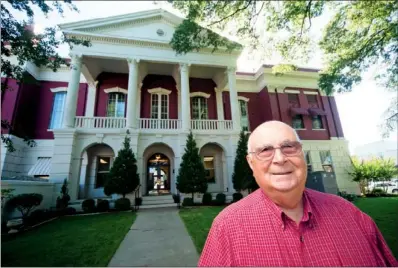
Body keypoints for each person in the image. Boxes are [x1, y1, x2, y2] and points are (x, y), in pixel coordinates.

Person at [198, 120, 397, 267]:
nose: (279, 158)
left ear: (302, 153)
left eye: (288, 147)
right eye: (265, 150)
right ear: (251, 163)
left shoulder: (351, 216)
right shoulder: (227, 227)